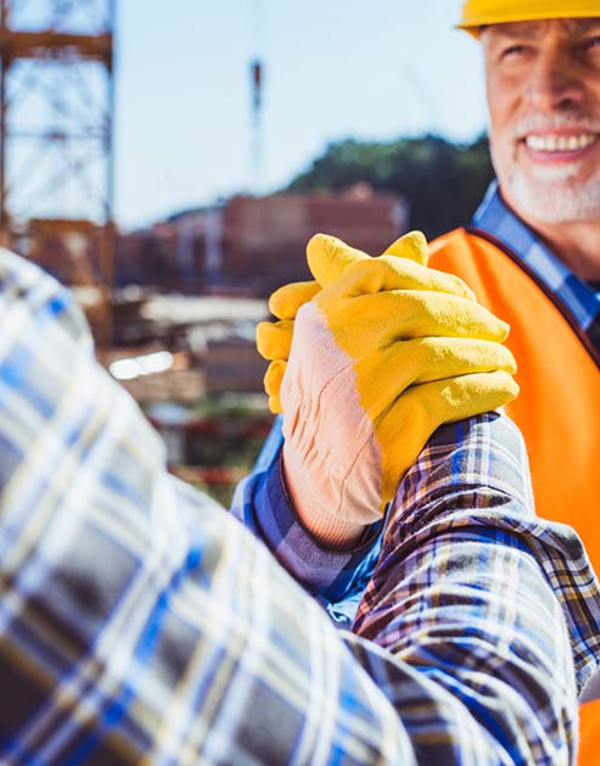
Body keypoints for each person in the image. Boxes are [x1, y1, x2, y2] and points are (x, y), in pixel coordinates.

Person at [0, 232, 599, 761]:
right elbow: (479, 746)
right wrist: (461, 429)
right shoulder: (426, 290)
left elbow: (254, 672)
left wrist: (314, 522)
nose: (548, 96)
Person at [234, 0, 600, 761]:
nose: (547, 88)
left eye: (594, 42)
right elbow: (258, 640)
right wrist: (314, 518)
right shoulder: (403, 311)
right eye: (513, 49)